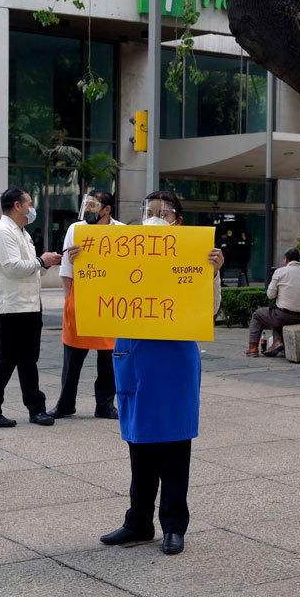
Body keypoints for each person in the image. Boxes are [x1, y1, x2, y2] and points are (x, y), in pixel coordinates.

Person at [98, 191, 224, 555]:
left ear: (178, 221)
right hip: (136, 355)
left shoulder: (195, 256)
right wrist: (85, 264)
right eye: (149, 212)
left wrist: (213, 271)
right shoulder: (121, 252)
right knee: (139, 447)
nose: (155, 218)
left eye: (163, 213)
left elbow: (209, 310)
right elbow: (100, 295)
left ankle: (173, 525)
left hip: (174, 360)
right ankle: (138, 522)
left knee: (174, 447)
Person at [0, 187, 63, 428]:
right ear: (17, 206)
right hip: (9, 306)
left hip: (28, 305)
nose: (32, 208)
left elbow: (30, 268)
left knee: (28, 360)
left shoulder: (21, 232)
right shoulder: (2, 231)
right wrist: (41, 260)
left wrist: (46, 263)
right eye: (29, 204)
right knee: (6, 360)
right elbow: (13, 267)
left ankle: (36, 409)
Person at [48, 189, 124, 421]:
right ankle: (65, 404)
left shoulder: (121, 231)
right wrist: (68, 299)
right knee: (72, 357)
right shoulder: (76, 229)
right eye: (86, 204)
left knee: (108, 358)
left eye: (93, 205)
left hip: (110, 302)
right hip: (81, 298)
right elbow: (66, 269)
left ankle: (105, 405)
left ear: (107, 209)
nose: (88, 209)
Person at [244, 247, 300, 357]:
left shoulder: (280, 272)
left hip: (282, 315)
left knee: (258, 314)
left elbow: (270, 295)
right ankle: (277, 342)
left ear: (286, 259)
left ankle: (253, 348)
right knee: (275, 313)